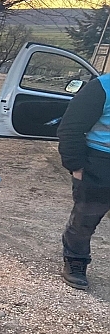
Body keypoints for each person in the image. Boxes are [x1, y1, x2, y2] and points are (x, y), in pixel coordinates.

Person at [57, 75, 110, 291]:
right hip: (100, 162)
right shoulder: (102, 87)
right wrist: (76, 166)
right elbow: (70, 128)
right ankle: (75, 260)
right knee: (85, 218)